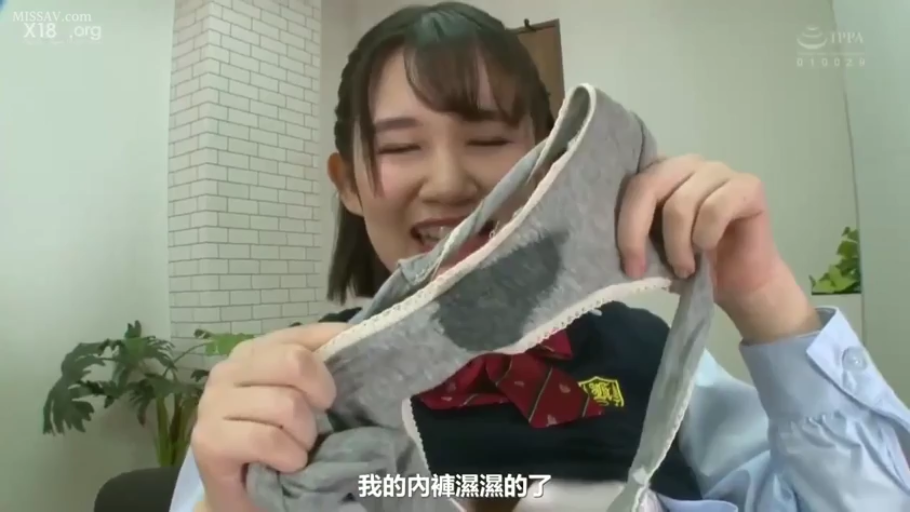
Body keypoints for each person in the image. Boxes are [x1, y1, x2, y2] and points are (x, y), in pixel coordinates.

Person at [170, 3, 910, 512]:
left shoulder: (654, 360)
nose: (449, 182)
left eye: (490, 140)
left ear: (545, 167)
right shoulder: (288, 400)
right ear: (350, 184)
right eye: (400, 147)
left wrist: (763, 294)